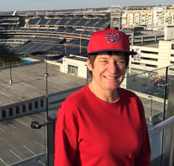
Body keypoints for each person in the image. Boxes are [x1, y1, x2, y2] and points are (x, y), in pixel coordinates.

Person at [54, 29, 151, 166]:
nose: (113, 69)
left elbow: (143, 157)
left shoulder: (133, 102)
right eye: (104, 61)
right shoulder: (72, 108)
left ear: (126, 66)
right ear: (90, 64)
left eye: (119, 61)